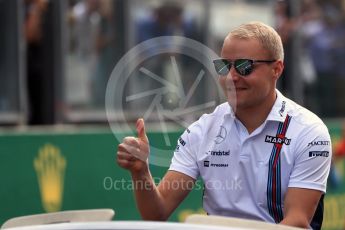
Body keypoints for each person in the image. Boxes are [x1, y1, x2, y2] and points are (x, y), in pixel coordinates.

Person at [117, 22, 332, 229]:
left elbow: (297, 222)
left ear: (276, 69)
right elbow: (156, 213)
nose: (231, 77)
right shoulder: (202, 130)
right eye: (223, 66)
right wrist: (141, 172)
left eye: (244, 66)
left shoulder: (309, 131)